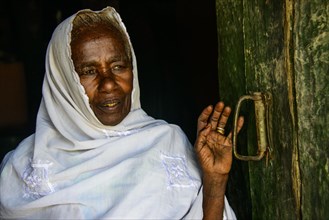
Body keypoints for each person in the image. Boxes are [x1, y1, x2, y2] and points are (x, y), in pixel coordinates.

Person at [0, 7, 244, 219]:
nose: (108, 83)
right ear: (63, 80)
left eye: (118, 66)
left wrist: (214, 180)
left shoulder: (167, 144)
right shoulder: (23, 170)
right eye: (88, 71)